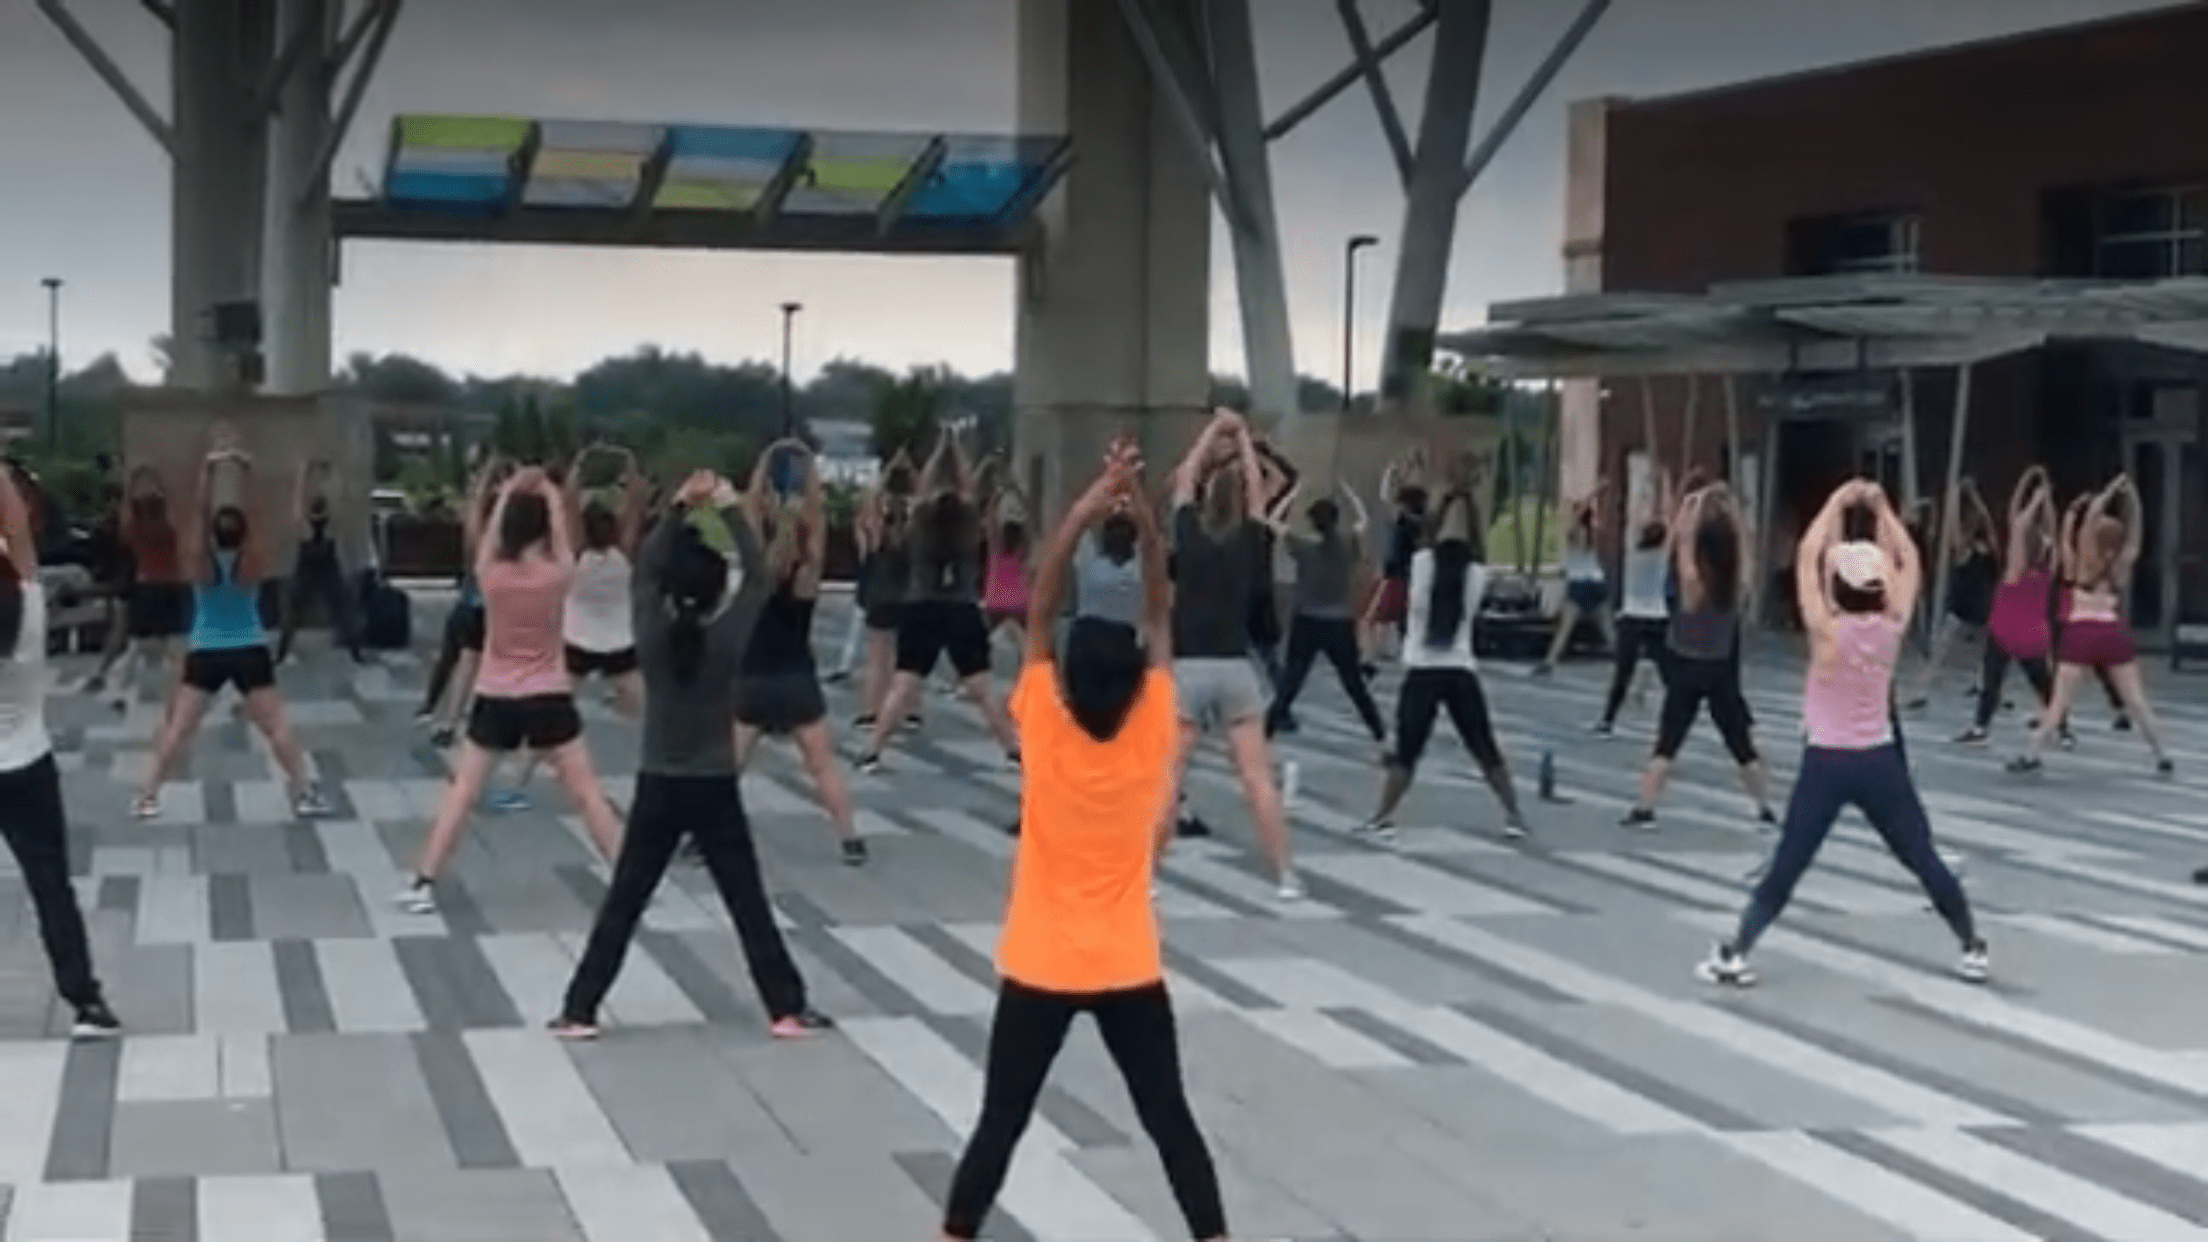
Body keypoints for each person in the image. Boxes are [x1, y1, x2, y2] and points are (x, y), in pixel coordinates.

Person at [939, 441, 1229, 1242]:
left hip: (1040, 962)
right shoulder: (1151, 733)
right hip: (1128, 964)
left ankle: (953, 1233)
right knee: (1170, 1120)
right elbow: (1163, 611)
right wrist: (1138, 506)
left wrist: (1083, 507)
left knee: (1001, 1120)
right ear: (1139, 679)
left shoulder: (1044, 720)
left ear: (1066, 674)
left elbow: (1036, 609)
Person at [552, 469, 834, 1042]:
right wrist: (728, 509)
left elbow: (645, 571)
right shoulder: (727, 640)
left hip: (657, 781)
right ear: (714, 589)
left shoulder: (651, 636)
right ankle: (785, 1007)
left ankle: (579, 1009)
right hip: (714, 786)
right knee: (746, 902)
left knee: (624, 902)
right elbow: (757, 576)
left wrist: (678, 508)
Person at [1699, 479, 1988, 987]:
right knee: (1921, 855)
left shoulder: (1825, 631)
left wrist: (1836, 501)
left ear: (1837, 588)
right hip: (1879, 760)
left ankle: (1737, 951)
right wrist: (1882, 510)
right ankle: (1971, 945)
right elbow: (1910, 560)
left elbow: (1812, 552)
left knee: (1789, 863)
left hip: (1826, 764)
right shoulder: (1891, 626)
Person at [398, 466, 628, 914]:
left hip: (495, 696)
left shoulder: (491, 573)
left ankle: (423, 882)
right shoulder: (559, 572)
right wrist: (546, 489)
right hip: (549, 696)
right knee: (586, 794)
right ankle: (627, 882)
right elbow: (564, 533)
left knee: (462, 792)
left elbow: (486, 533)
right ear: (545, 525)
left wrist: (507, 491)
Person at [136, 445, 333, 820]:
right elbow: (260, 519)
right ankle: (305, 792)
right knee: (277, 728)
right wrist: (248, 474)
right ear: (243, 533)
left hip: (206, 651)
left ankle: (148, 796)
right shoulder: (253, 560)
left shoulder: (198, 561)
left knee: (178, 730)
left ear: (212, 533)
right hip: (249, 650)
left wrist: (207, 472)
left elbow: (195, 514)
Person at [0, 461, 121, 1037]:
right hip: (26, 764)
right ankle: (86, 1002)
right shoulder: (27, 612)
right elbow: (22, 539)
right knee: (52, 886)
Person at [1159, 409, 1301, 898]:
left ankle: (1146, 878)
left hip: (1189, 668)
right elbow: (1261, 494)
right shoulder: (1252, 539)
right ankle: (1285, 875)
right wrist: (1242, 437)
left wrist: (1210, 432)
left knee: (1170, 779)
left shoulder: (1188, 533)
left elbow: (1182, 481)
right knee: (1258, 780)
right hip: (1237, 668)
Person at [1359, 489, 1525, 846]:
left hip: (1422, 670)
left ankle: (1382, 817)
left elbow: (1423, 553)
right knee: (1483, 745)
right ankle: (1514, 814)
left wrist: (1444, 502)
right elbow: (1475, 569)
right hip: (1461, 669)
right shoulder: (1476, 574)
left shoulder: (1422, 564)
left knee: (1407, 748)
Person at [855, 425, 1020, 772]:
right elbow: (970, 487)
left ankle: (872, 750)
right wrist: (956, 446)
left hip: (921, 606)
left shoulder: (920, 528)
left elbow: (923, 488)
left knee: (904, 681)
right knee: (982, 687)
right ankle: (1012, 749)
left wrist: (938, 449)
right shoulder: (967, 530)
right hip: (961, 607)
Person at [733, 440, 865, 863]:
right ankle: (849, 840)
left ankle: (699, 839)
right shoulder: (808, 571)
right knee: (823, 766)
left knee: (725, 771)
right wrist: (806, 466)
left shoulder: (754, 572)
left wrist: (768, 455)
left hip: (752, 677)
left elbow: (751, 505)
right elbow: (817, 515)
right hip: (797, 678)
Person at [1619, 482, 1776, 828]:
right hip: (1720, 669)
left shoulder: (1693, 587)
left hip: (1686, 667)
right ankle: (1766, 808)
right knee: (1741, 746)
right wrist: (1732, 511)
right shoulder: (1734, 585)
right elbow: (1747, 551)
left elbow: (1681, 549)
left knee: (1667, 743)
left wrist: (1688, 512)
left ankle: (1645, 808)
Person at [2009, 474, 2172, 776]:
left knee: (2058, 704)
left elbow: (2077, 530)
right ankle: (2162, 754)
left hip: (2080, 634)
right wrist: (2133, 498)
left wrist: (2097, 499)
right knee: (2136, 701)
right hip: (2113, 632)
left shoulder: (2083, 560)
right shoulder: (2121, 564)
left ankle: (2031, 755)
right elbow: (2136, 534)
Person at [1260, 482, 1388, 743]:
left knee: (1292, 679)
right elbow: (1363, 520)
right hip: (1339, 622)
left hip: (1306, 619)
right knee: (1353, 682)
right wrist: (1350, 493)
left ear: (1312, 522)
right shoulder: (1347, 547)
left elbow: (1272, 522)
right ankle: (1378, 729)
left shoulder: (1303, 547)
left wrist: (1293, 493)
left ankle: (1268, 727)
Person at [85, 466, 191, 711]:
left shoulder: (135, 531)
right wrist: (157, 480)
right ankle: (177, 696)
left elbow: (124, 517)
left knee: (135, 647)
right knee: (174, 648)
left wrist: (134, 480)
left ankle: (118, 691)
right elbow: (177, 505)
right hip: (172, 587)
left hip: (146, 589)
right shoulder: (170, 528)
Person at [418, 458, 505, 746]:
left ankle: (447, 717)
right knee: (477, 663)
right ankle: (456, 718)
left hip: (472, 603)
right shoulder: (503, 539)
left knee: (462, 660)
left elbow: (472, 517)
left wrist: (483, 484)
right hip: (490, 606)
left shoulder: (479, 537)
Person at [1904, 481, 1996, 710]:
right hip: (1978, 608)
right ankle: (1979, 683)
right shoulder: (1987, 551)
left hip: (1965, 608)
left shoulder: (1969, 550)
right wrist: (1973, 498)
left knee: (1940, 653)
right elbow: (1986, 523)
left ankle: (1922, 690)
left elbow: (1959, 527)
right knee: (1987, 652)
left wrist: (1956, 498)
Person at [1593, 478, 1674, 735]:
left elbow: (1634, 520)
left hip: (1631, 617)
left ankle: (1607, 720)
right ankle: (1672, 723)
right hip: (1657, 619)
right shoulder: (1663, 556)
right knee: (1669, 676)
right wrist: (1671, 488)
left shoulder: (1633, 554)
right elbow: (1673, 523)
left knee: (1623, 673)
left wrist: (1637, 495)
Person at [274, 459, 365, 665]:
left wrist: (303, 473)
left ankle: (281, 654)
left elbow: (296, 504)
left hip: (308, 573)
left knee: (294, 616)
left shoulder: (305, 526)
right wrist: (334, 476)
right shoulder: (329, 526)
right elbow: (339, 502)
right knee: (342, 612)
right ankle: (356, 653)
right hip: (325, 571)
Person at [1534, 481, 1614, 676]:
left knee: (1565, 627)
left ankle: (1549, 662)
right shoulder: (1591, 535)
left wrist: (1595, 492)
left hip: (1579, 584)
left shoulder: (1574, 533)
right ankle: (1625, 660)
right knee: (1607, 629)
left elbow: (1577, 517)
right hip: (1596, 582)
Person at [978, 455, 1034, 656]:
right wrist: (1016, 490)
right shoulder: (1021, 550)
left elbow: (990, 516)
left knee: (980, 642)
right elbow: (1030, 520)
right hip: (1019, 602)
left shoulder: (996, 548)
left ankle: (977, 670)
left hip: (995, 602)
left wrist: (998, 494)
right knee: (1027, 643)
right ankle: (1025, 675)